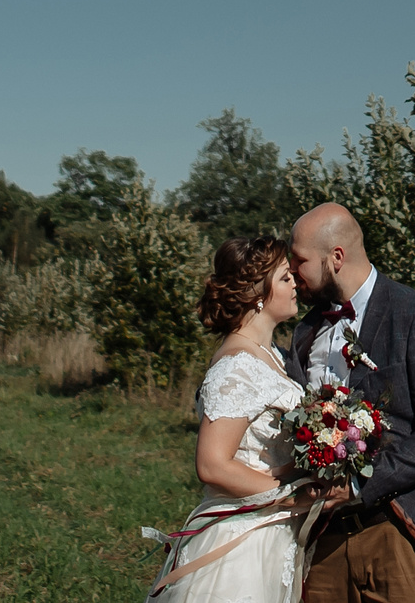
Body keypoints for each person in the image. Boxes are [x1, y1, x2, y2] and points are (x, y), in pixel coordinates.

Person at [286, 203, 415, 603]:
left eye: (299, 260)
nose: (292, 273)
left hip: (405, 536)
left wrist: (359, 484)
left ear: (335, 258)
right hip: (324, 545)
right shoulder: (305, 331)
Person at [143, 235, 317, 601]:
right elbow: (212, 465)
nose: (295, 285)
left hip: (272, 535)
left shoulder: (273, 356)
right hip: (241, 543)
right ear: (258, 293)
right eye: (285, 278)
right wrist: (289, 497)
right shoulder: (237, 366)